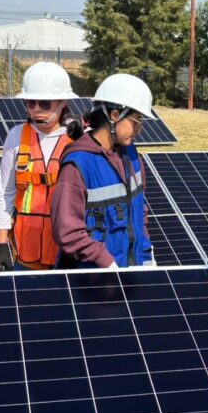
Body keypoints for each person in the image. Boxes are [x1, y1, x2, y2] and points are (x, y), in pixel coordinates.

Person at [52, 74, 156, 268]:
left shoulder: (132, 156)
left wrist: (146, 254)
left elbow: (139, 211)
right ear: (114, 115)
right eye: (136, 121)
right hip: (92, 282)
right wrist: (106, 262)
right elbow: (67, 232)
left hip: (128, 272)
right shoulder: (78, 164)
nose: (139, 129)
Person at [0, 62, 79, 271]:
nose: (37, 109)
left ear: (62, 103)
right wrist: (1, 242)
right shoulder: (16, 136)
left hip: (66, 253)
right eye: (31, 103)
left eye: (45, 103)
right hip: (25, 252)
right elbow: (5, 191)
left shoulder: (77, 139)